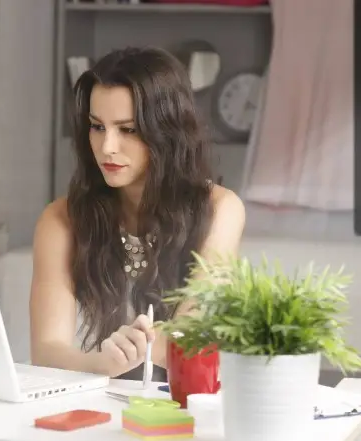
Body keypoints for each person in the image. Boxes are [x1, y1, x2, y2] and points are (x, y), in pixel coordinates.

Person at [29, 47, 245, 381]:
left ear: (168, 132)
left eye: (128, 130)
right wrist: (103, 364)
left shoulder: (220, 209)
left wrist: (134, 348)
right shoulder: (61, 220)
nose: (107, 147)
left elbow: (192, 338)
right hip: (102, 397)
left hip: (194, 399)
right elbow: (46, 351)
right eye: (97, 127)